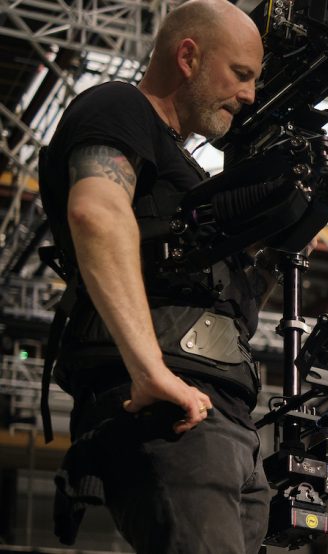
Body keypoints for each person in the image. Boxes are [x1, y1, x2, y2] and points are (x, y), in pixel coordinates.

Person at [38, 1, 271, 552]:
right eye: (240, 74)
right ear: (187, 56)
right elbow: (96, 211)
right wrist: (149, 370)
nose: (249, 96)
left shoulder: (187, 172)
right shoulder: (118, 104)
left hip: (224, 418)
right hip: (168, 406)